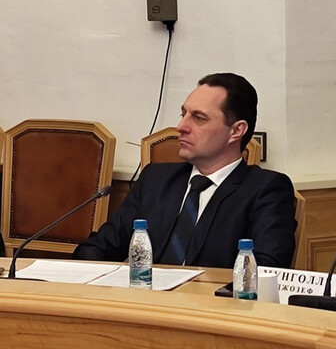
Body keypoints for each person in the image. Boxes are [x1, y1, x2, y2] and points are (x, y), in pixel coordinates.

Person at [73, 73, 297, 268]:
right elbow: (100, 247)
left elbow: (266, 270)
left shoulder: (266, 190)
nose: (181, 127)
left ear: (236, 131)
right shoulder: (155, 180)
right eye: (183, 115)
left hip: (214, 302)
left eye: (199, 118)